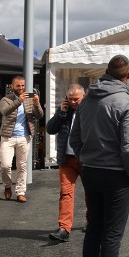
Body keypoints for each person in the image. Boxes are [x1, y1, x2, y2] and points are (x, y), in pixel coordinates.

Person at [70, 55, 129, 257]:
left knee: (94, 228)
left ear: (106, 72)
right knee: (112, 233)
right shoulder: (127, 103)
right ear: (127, 76)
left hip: (91, 170)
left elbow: (75, 139)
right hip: (116, 174)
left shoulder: (87, 100)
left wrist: (87, 159)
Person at [47, 83, 87, 242]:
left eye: (76, 99)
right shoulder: (64, 112)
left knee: (91, 193)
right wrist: (60, 113)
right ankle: (64, 228)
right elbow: (50, 129)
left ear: (83, 96)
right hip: (67, 160)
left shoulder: (90, 110)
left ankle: (91, 221)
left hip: (86, 160)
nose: (73, 102)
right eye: (70, 99)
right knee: (65, 193)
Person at [0, 76, 44, 202]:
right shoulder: (5, 99)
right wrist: (19, 100)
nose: (21, 88)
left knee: (22, 166)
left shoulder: (29, 100)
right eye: (18, 86)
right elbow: (5, 111)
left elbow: (39, 115)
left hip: (24, 137)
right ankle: (8, 186)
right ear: (12, 86)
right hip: (8, 138)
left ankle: (20, 192)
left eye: (23, 86)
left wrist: (37, 104)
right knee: (5, 166)